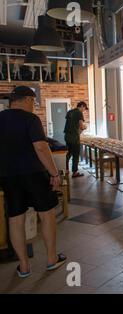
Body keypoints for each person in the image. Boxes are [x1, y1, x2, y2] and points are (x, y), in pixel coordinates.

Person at [0, 86, 66, 278]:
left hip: (8, 177)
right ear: (27, 99)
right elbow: (41, 147)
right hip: (34, 174)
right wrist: (54, 174)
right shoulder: (30, 119)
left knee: (15, 219)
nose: (34, 106)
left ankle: (24, 266)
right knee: (47, 215)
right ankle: (52, 259)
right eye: (34, 102)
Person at [64, 101, 88, 178]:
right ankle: (75, 172)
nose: (84, 110)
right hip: (74, 137)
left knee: (69, 153)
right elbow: (81, 126)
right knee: (76, 154)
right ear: (81, 106)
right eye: (84, 108)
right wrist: (85, 127)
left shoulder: (69, 112)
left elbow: (70, 123)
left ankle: (66, 169)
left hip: (67, 136)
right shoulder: (79, 113)